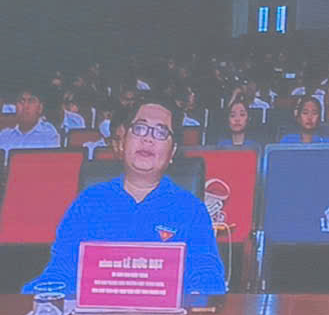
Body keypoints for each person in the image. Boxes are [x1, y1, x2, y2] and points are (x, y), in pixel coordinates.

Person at [23, 98, 226, 298]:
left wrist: (195, 299)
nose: (148, 139)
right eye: (140, 128)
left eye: (161, 132)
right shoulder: (88, 203)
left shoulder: (190, 209)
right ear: (123, 141)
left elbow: (206, 276)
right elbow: (61, 271)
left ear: (172, 152)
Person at [0, 88, 61, 152]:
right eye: (21, 101)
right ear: (16, 107)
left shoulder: (49, 134)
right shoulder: (4, 136)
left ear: (40, 108)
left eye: (31, 101)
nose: (25, 106)